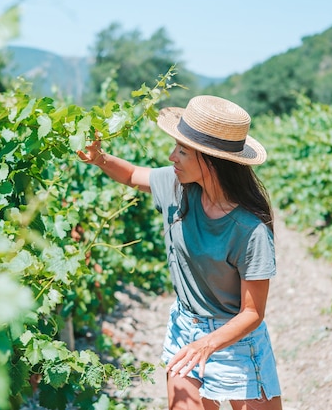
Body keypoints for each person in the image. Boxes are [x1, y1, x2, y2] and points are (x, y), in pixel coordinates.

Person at [77, 95, 283, 410]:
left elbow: (252, 313)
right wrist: (99, 158)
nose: (172, 156)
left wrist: (209, 344)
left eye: (182, 150)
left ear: (210, 160)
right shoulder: (178, 187)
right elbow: (133, 176)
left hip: (235, 342)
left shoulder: (248, 229)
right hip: (187, 328)